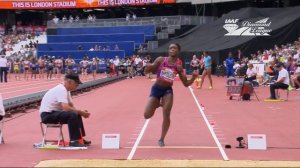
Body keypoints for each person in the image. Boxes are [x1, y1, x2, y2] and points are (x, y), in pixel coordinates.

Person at [144, 43, 198, 147]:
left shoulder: (178, 65)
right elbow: (149, 69)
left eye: (174, 48)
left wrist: (194, 77)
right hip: (156, 89)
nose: (172, 50)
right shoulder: (161, 60)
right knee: (147, 115)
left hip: (167, 91)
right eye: (170, 48)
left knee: (167, 113)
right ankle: (157, 104)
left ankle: (161, 139)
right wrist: (148, 68)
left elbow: (186, 84)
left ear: (178, 51)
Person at [39, 73, 91, 147]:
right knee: (72, 114)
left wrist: (81, 112)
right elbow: (66, 108)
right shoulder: (61, 90)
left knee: (76, 114)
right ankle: (73, 141)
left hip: (54, 113)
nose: (77, 86)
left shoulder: (67, 90)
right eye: (76, 84)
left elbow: (71, 106)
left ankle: (80, 139)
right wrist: (81, 112)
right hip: (47, 115)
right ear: (69, 82)